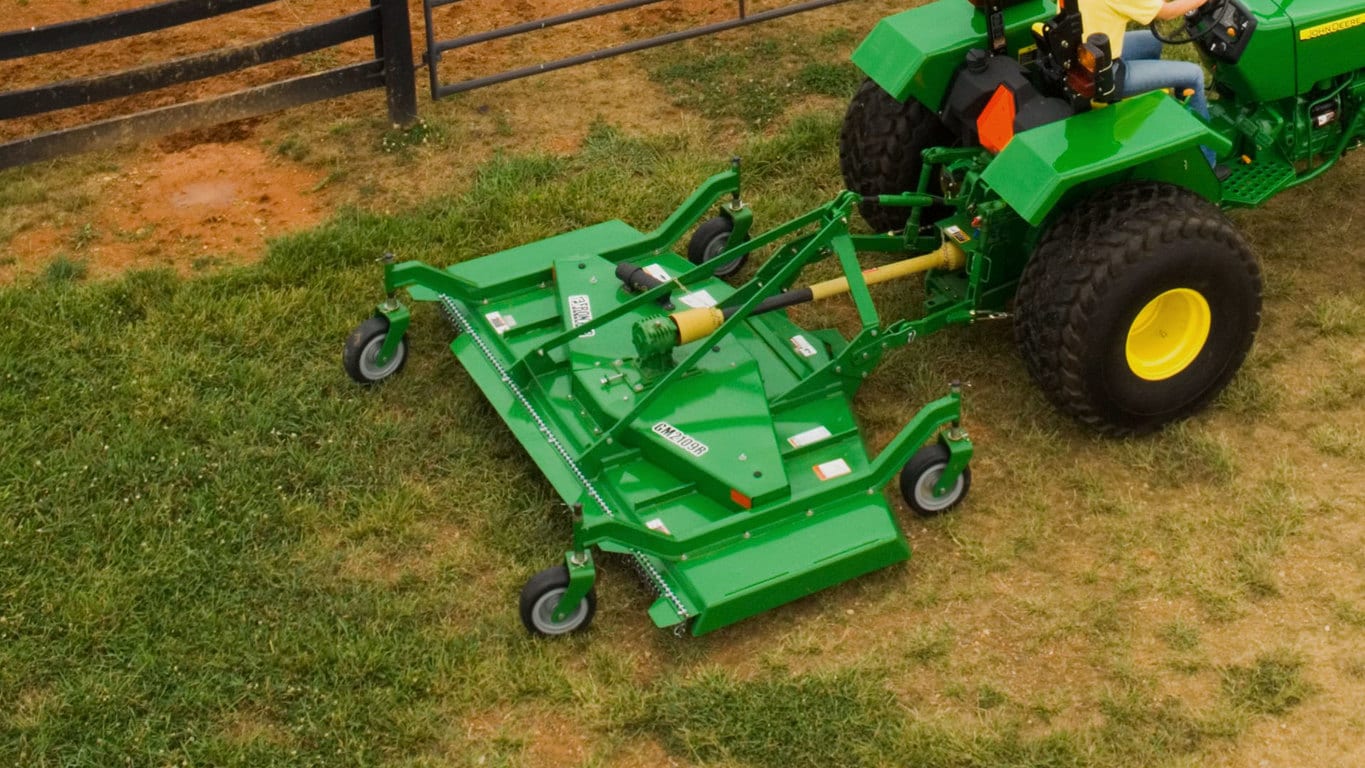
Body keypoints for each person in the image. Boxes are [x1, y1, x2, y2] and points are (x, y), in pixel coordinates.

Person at [1078, 0, 1219, 167]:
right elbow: (1168, 12)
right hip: (1105, 75)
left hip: (1084, 53)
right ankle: (1208, 163)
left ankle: (1163, 115)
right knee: (1193, 75)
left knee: (1152, 41)